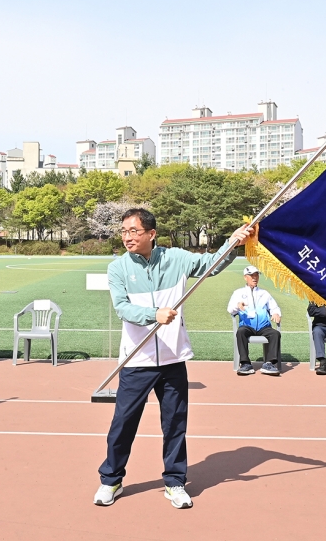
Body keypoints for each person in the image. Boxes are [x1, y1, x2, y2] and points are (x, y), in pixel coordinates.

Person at [94, 208, 253, 509]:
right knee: (123, 424)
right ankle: (111, 480)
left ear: (151, 234)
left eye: (134, 231)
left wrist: (233, 243)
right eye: (124, 231)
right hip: (136, 360)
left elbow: (212, 265)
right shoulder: (117, 268)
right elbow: (122, 309)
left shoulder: (176, 258)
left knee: (175, 424)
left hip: (172, 359)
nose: (128, 237)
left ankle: (175, 482)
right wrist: (153, 315)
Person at [227, 266, 282, 376]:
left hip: (264, 327)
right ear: (245, 277)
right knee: (240, 332)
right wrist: (238, 306)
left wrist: (276, 313)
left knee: (275, 334)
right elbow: (230, 309)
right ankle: (245, 363)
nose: (254, 278)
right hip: (247, 326)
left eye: (256, 275)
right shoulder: (238, 293)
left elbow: (274, 307)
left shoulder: (264, 293)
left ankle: (269, 363)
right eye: (251, 275)